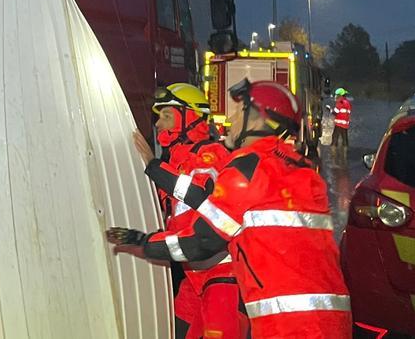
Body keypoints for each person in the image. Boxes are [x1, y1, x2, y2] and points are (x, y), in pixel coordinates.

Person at [107, 79, 352, 338]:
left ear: (257, 122)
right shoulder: (303, 171)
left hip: (288, 326)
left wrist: (143, 242)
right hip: (330, 319)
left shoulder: (247, 168)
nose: (231, 120)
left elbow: (202, 240)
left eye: (239, 112)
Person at [149, 84, 249, 339]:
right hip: (193, 278)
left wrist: (153, 167)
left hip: (223, 278)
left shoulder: (211, 155)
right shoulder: (176, 160)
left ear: (190, 117)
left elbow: (197, 197)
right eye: (158, 117)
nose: (159, 124)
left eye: (166, 115)